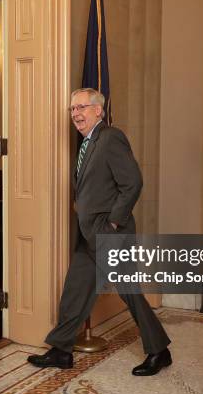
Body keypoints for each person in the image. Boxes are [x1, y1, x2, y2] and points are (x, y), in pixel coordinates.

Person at [27, 88, 172, 376]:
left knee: (129, 291)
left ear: (99, 111)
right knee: (75, 289)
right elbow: (96, 185)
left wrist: (113, 224)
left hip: (109, 233)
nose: (75, 114)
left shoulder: (110, 138)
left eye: (82, 107)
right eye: (72, 109)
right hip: (89, 233)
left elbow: (133, 183)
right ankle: (61, 351)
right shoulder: (86, 143)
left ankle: (159, 351)